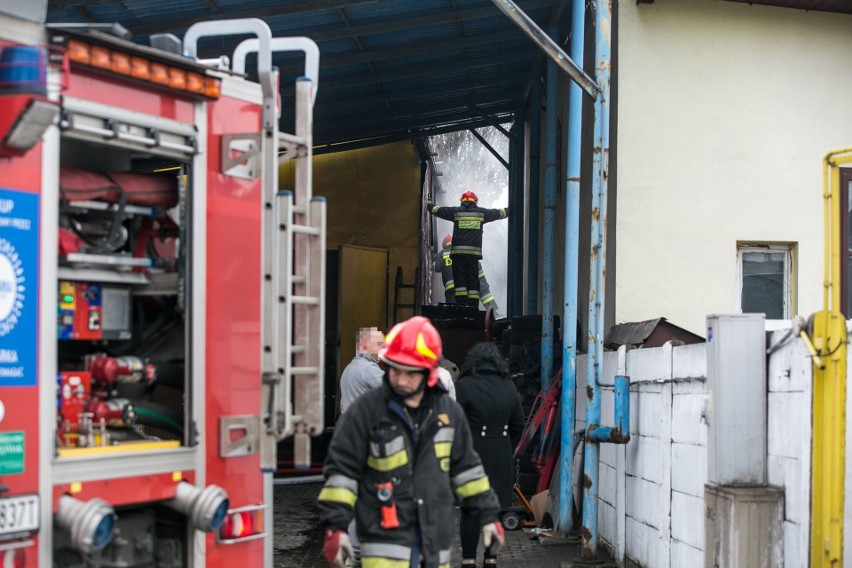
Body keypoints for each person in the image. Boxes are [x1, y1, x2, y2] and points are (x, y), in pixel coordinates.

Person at [318, 316, 505, 568]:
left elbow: (467, 471)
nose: (400, 379)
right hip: (384, 546)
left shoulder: (449, 415)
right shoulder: (366, 412)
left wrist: (488, 516)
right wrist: (335, 526)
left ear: (429, 371)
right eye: (395, 368)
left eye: (411, 372)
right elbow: (342, 472)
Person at [454, 342, 524, 568]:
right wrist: (504, 444)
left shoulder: (464, 385)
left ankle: (468, 561)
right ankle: (491, 560)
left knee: (470, 510)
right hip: (501, 456)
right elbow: (518, 426)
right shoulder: (509, 386)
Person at [426, 190, 508, 307]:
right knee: (473, 280)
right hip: (473, 255)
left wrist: (429, 203)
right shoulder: (482, 213)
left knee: (460, 280)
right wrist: (514, 207)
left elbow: (437, 211)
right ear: (475, 201)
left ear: (462, 201)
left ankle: (462, 306)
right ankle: (473, 306)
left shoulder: (456, 212)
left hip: (458, 255)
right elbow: (501, 213)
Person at [433, 235, 501, 316]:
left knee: (454, 313)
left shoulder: (443, 254)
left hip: (451, 291)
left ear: (444, 245)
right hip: (469, 288)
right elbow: (479, 272)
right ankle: (493, 312)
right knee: (470, 310)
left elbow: (436, 267)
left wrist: (435, 257)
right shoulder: (465, 252)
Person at [340, 327, 385, 414]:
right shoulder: (369, 369)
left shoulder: (348, 368)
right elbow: (395, 389)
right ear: (364, 345)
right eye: (378, 344)